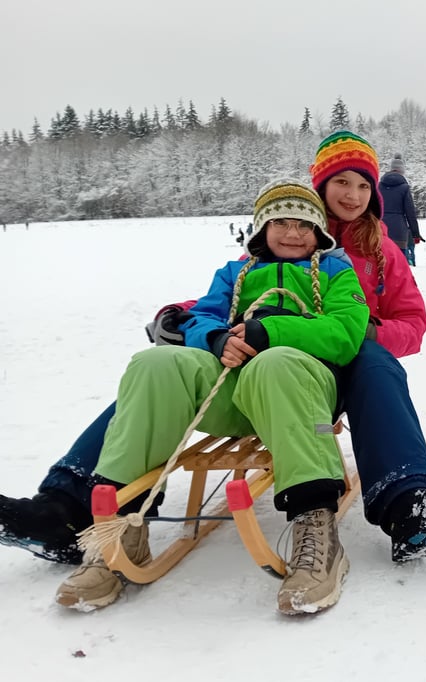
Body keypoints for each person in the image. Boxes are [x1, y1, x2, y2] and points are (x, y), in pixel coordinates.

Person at [1, 131, 426, 578]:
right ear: (318, 187)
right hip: (263, 357)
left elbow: (413, 323)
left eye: (361, 186)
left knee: (377, 367)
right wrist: (186, 317)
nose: (352, 196)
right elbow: (236, 297)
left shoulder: (381, 251)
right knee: (161, 375)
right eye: (341, 183)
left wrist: (365, 332)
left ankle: (406, 501)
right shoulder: (281, 230)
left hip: (344, 355)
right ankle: (66, 505)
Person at [53, 178, 370, 613]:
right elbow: (200, 316)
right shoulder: (234, 272)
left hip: (297, 390)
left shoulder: (336, 270)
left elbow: (347, 332)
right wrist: (218, 338)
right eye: (281, 222)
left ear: (320, 231)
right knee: (155, 364)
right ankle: (123, 529)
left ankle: (317, 531)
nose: (293, 233)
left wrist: (272, 330)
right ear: (261, 229)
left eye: (304, 224)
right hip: (231, 392)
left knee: (275, 362)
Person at [378, 153, 421, 266]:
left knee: (381, 264)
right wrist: (415, 234)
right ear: (402, 171)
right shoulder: (404, 188)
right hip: (399, 232)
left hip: (379, 230)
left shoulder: (378, 186)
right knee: (399, 265)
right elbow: (410, 213)